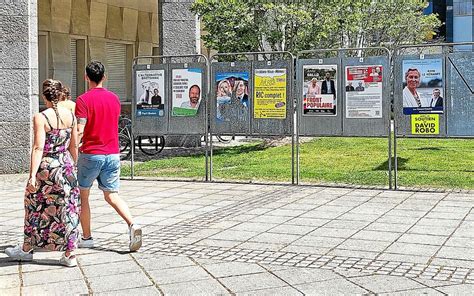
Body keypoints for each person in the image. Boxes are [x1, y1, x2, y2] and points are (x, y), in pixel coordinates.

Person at [5, 79, 80, 267]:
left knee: (34, 206)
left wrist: (31, 175)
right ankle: (70, 254)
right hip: (66, 166)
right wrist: (73, 166)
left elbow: (38, 147)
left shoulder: (41, 117)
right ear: (61, 94)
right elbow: (73, 146)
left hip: (47, 167)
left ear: (44, 96)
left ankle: (27, 248)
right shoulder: (71, 116)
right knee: (68, 207)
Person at [75, 61, 142, 252]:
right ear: (104, 77)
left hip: (91, 154)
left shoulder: (83, 100)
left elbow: (80, 129)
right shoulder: (114, 99)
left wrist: (73, 147)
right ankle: (132, 224)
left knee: (83, 196)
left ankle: (87, 237)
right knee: (112, 195)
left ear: (86, 77)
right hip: (113, 153)